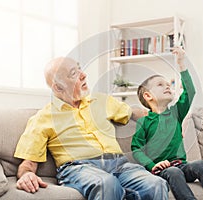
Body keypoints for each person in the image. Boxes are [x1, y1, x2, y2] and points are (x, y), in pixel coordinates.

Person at [14, 57, 169, 200]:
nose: (83, 75)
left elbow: (132, 112)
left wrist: (163, 122)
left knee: (156, 183)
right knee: (106, 183)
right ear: (58, 87)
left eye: (80, 68)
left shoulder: (101, 101)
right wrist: (27, 175)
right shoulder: (44, 117)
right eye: (74, 73)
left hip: (119, 164)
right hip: (79, 168)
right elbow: (28, 163)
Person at [131, 47, 203, 200]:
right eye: (160, 85)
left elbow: (190, 91)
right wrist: (152, 165)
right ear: (148, 95)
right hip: (162, 170)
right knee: (173, 172)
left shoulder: (176, 113)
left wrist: (181, 64)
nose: (167, 86)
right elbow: (137, 149)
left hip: (182, 166)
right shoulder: (144, 122)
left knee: (199, 165)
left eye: (167, 84)